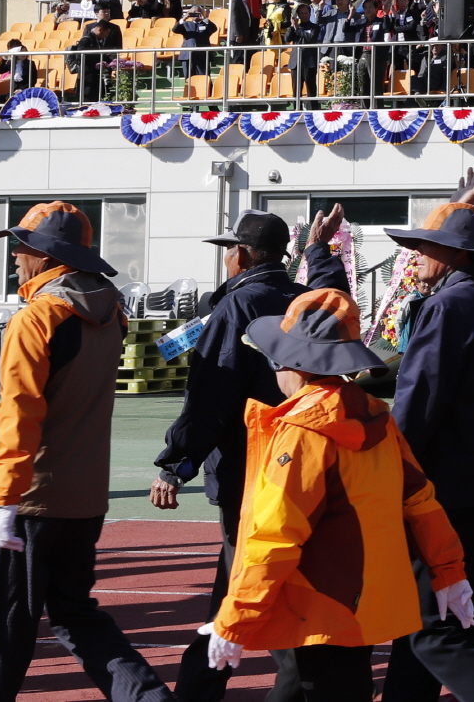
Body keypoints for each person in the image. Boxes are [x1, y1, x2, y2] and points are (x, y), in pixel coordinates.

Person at [203, 289, 470, 702]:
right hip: (363, 600)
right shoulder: (377, 417)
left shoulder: (302, 432)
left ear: (292, 365)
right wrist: (448, 569)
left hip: (317, 603)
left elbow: (275, 534)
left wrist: (237, 616)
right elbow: (420, 499)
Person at [0, 203, 178, 702]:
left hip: (31, 497)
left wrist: (3, 499)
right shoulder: (112, 312)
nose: (15, 256)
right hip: (85, 496)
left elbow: (19, 415)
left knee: (1, 625)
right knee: (75, 614)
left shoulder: (37, 318)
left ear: (45, 255)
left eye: (22, 246)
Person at [150, 209, 350, 702]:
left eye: (229, 249)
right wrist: (321, 252)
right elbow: (335, 300)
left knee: (247, 582)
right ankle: (209, 686)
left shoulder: (237, 303)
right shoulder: (300, 296)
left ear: (240, 254)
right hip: (303, 461)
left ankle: (225, 688)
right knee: (260, 581)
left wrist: (176, 464)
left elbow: (211, 394)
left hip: (249, 467)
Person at [383, 199, 474, 702]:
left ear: (454, 253)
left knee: (428, 621)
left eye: (424, 247)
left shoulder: (448, 305)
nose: (416, 256)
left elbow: (419, 401)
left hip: (443, 489)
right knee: (459, 614)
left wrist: (390, 470)